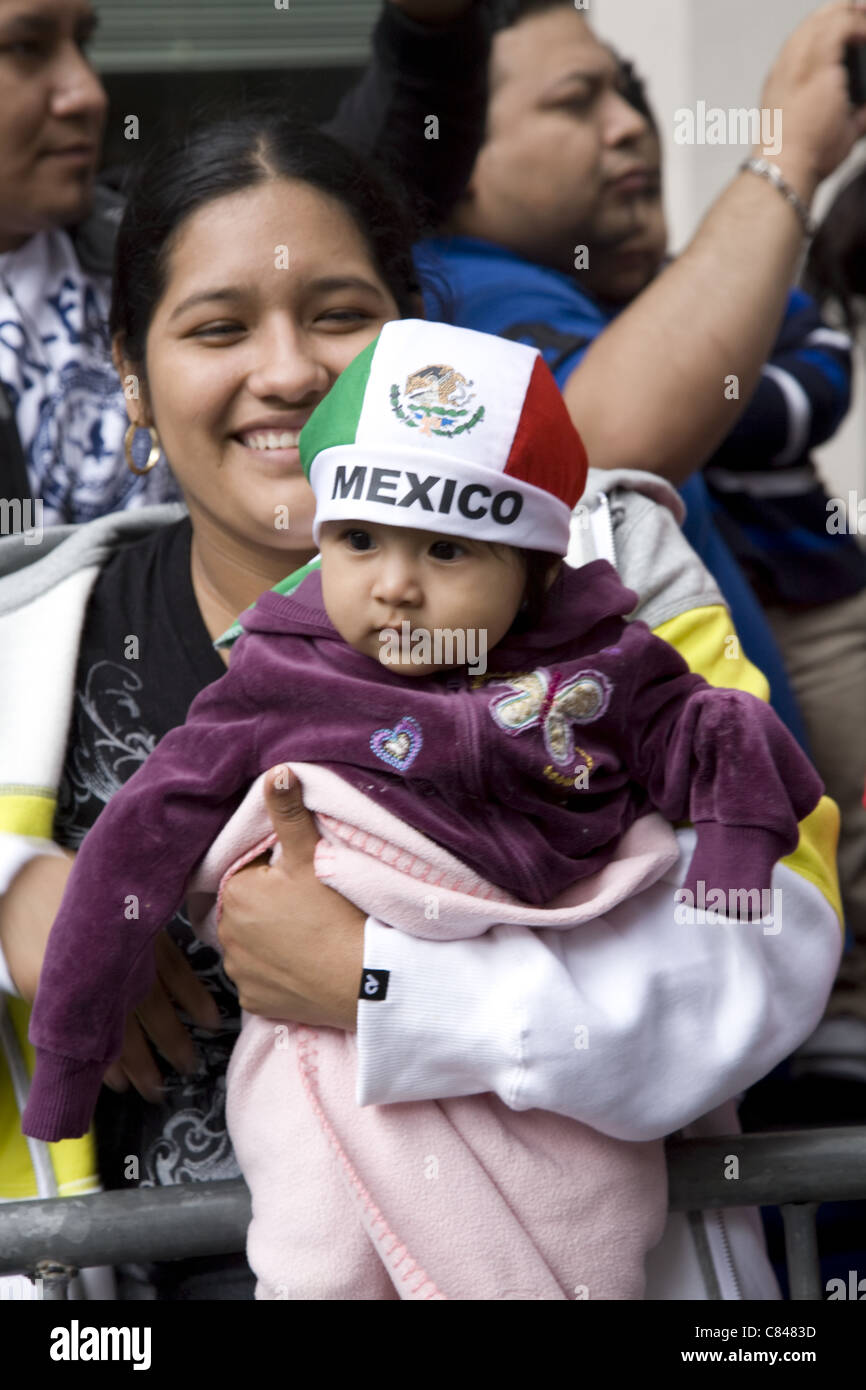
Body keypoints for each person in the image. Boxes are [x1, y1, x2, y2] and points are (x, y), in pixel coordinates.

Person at [0, 115, 843, 1303]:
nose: (287, 370)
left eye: (341, 315)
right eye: (217, 326)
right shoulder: (33, 635)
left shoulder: (611, 578)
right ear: (131, 373)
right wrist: (14, 890)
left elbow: (776, 936)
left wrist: (387, 987)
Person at [416, 0, 866, 743]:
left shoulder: (595, 286)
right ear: (455, 153)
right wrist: (788, 158)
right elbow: (602, 452)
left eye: (625, 91)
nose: (628, 124)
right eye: (576, 100)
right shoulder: (467, 291)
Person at [0, 0, 488, 526]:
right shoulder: (88, 605)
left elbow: (365, 176)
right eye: (26, 48)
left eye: (339, 315)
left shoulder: (128, 235)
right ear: (128, 370)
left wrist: (430, 25)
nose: (87, 94)